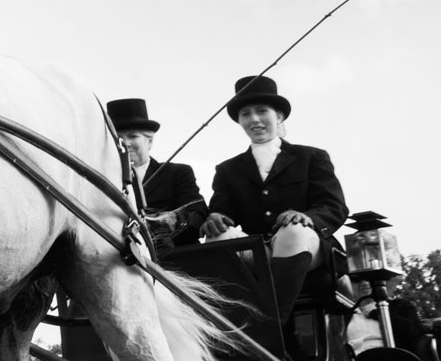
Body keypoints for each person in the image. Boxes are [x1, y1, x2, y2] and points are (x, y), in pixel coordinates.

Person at [201, 75, 348, 311]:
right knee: (218, 237)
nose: (254, 119)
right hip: (258, 250)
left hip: (307, 246)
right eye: (246, 114)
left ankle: (270, 324)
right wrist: (215, 216)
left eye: (262, 111)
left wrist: (308, 218)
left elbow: (334, 206)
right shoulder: (228, 169)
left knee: (294, 231)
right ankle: (228, 320)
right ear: (239, 121)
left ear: (278, 116)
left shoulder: (312, 157)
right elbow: (222, 210)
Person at [106, 97, 206, 251]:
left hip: (177, 260)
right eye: (118, 138)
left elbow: (197, 213)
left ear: (150, 141)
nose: (126, 143)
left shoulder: (177, 173)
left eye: (133, 136)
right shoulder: (105, 181)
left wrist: (175, 220)